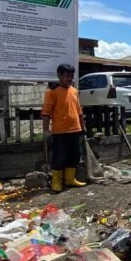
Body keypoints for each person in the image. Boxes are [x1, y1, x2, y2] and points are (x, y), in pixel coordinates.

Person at [42, 64, 86, 193]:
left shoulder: (74, 90)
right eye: (67, 76)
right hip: (60, 131)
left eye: (71, 76)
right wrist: (46, 131)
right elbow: (46, 112)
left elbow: (79, 110)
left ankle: (70, 179)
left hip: (75, 129)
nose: (69, 79)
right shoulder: (52, 91)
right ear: (59, 75)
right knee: (60, 157)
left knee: (74, 156)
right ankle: (56, 182)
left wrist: (82, 126)